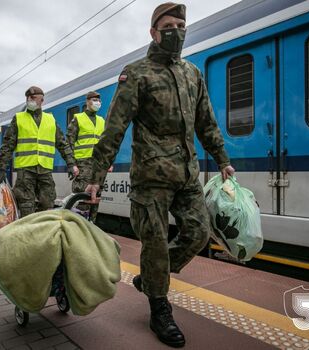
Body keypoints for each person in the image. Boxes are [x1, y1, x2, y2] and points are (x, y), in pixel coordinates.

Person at [85, 3, 235, 347]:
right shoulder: (136, 73)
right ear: (153, 32)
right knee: (153, 244)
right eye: (168, 25)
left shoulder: (192, 74)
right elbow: (115, 127)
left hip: (185, 174)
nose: (176, 31)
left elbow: (206, 122)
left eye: (181, 25)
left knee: (199, 232)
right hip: (150, 177)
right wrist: (96, 175)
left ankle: (153, 278)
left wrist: (222, 158)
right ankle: (159, 309)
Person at [0, 86, 75, 217]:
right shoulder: (19, 118)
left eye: (33, 98)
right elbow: (7, 145)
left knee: (48, 205)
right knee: (26, 205)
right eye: (27, 98)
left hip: (45, 170)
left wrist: (71, 164)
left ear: (42, 100)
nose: (29, 100)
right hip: (25, 170)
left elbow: (63, 144)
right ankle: (26, 235)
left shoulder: (50, 120)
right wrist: (2, 168)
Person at [66, 91, 111, 221]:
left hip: (98, 165)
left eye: (99, 101)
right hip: (83, 164)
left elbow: (106, 144)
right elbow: (69, 143)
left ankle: (91, 225)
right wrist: (72, 164)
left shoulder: (101, 121)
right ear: (87, 102)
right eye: (94, 100)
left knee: (95, 198)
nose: (97, 103)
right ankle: (78, 226)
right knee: (82, 198)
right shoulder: (78, 118)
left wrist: (108, 162)